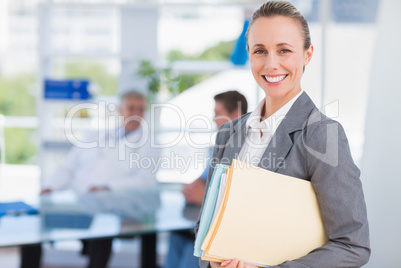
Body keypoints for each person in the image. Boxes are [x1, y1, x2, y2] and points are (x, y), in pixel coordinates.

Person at [196, 2, 370, 268]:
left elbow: (352, 246)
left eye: (284, 50)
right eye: (260, 51)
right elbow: (207, 225)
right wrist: (213, 262)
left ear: (307, 54)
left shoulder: (322, 135)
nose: (271, 64)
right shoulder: (228, 133)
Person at [20, 91, 159, 268]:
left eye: (141, 109)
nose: (136, 114)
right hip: (76, 201)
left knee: (104, 230)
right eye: (131, 108)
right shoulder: (93, 136)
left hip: (111, 207)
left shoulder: (149, 144)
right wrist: (49, 186)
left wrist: (107, 187)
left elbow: (145, 180)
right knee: (32, 227)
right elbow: (67, 167)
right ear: (120, 110)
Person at [164, 90, 248, 268]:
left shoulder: (250, 148)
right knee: (177, 236)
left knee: (192, 246)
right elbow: (205, 178)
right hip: (199, 215)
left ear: (236, 114)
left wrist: (205, 196)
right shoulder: (219, 144)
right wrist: (192, 186)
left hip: (225, 227)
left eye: (218, 113)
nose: (213, 119)